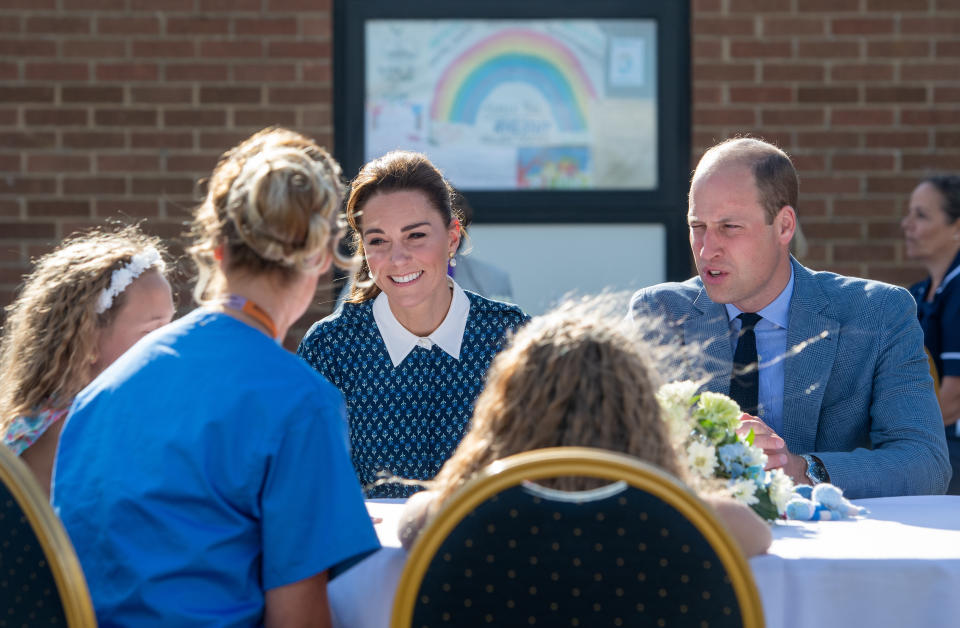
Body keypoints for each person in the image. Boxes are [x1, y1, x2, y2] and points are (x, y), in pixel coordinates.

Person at [52, 127, 379, 627]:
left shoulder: (103, 392)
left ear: (217, 249)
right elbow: (300, 621)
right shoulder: (298, 401)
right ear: (319, 255)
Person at [630, 136, 950, 499]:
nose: (706, 249)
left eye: (729, 228)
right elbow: (617, 451)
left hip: (830, 546)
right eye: (697, 226)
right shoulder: (659, 313)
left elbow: (925, 464)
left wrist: (802, 470)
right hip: (701, 542)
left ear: (784, 226)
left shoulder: (878, 313)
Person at [398, 300, 772, 558]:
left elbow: (412, 521)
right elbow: (758, 534)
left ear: (511, 410)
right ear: (636, 410)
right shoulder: (682, 518)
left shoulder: (469, 514)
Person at [298, 151, 527, 498]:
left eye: (416, 235)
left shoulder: (514, 339)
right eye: (378, 240)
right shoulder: (330, 348)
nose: (397, 257)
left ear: (452, 238)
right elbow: (307, 482)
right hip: (372, 551)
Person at [0, 227, 174, 494]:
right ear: (89, 340)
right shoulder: (72, 432)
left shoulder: (71, 412)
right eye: (150, 332)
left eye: (170, 326)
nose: (169, 343)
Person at [903, 175, 960, 494]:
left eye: (921, 215)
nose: (906, 224)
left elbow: (954, 397)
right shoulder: (919, 292)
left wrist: (898, 442)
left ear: (957, 227)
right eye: (909, 213)